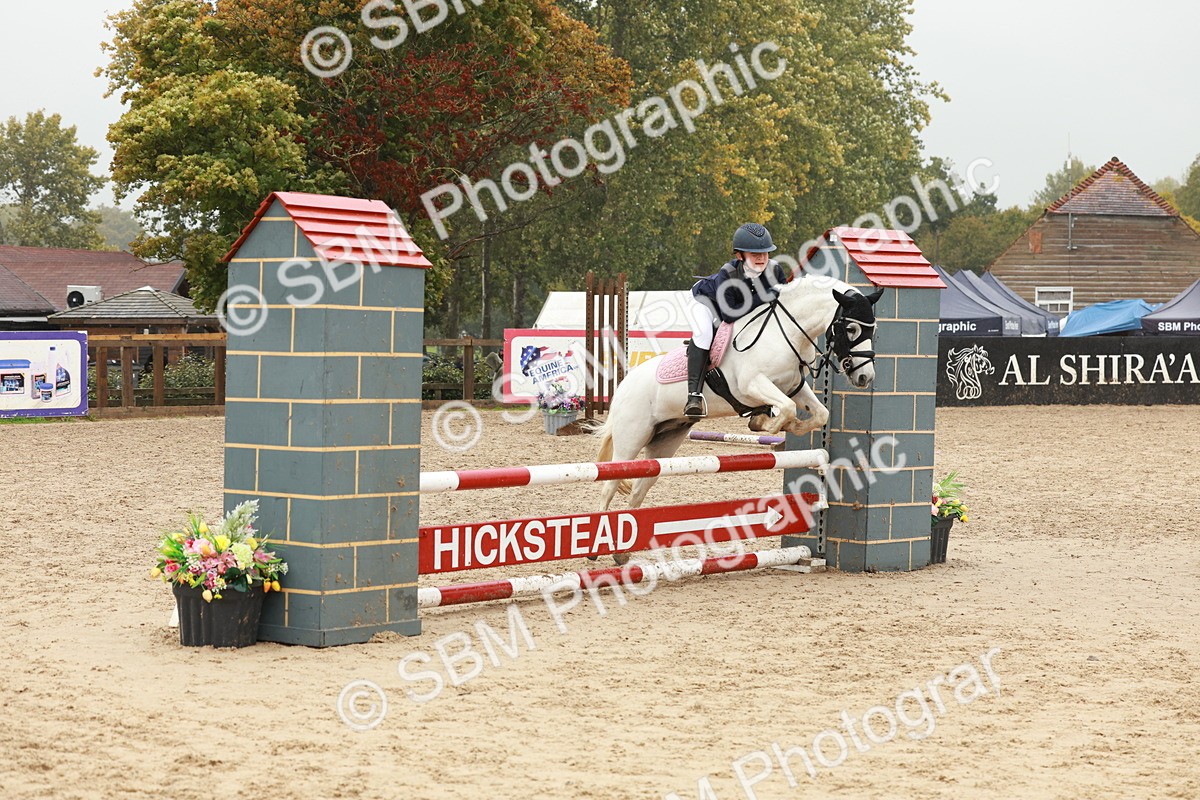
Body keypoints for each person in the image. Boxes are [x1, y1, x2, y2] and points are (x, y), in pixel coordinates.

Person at [685, 222, 790, 418]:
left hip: (733, 306)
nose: (761, 258)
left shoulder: (775, 271)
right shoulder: (729, 273)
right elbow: (730, 315)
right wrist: (768, 295)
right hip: (705, 301)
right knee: (705, 334)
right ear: (739, 256)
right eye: (754, 254)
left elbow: (783, 300)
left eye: (765, 253)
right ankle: (694, 396)